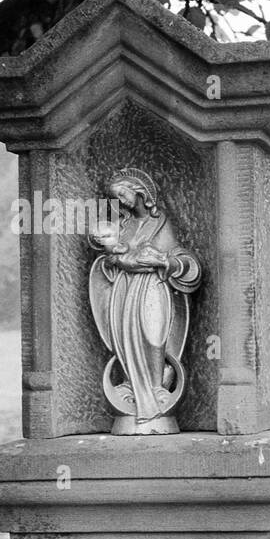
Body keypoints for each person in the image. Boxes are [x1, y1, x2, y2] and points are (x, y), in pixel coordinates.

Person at [89, 168, 201, 434]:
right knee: (127, 341)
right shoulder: (123, 226)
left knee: (154, 337)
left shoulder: (161, 223)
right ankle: (134, 388)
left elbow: (183, 260)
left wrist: (163, 261)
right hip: (125, 293)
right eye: (115, 198)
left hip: (154, 288)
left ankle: (157, 389)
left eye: (122, 194)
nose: (120, 202)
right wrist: (114, 258)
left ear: (138, 191)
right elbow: (109, 254)